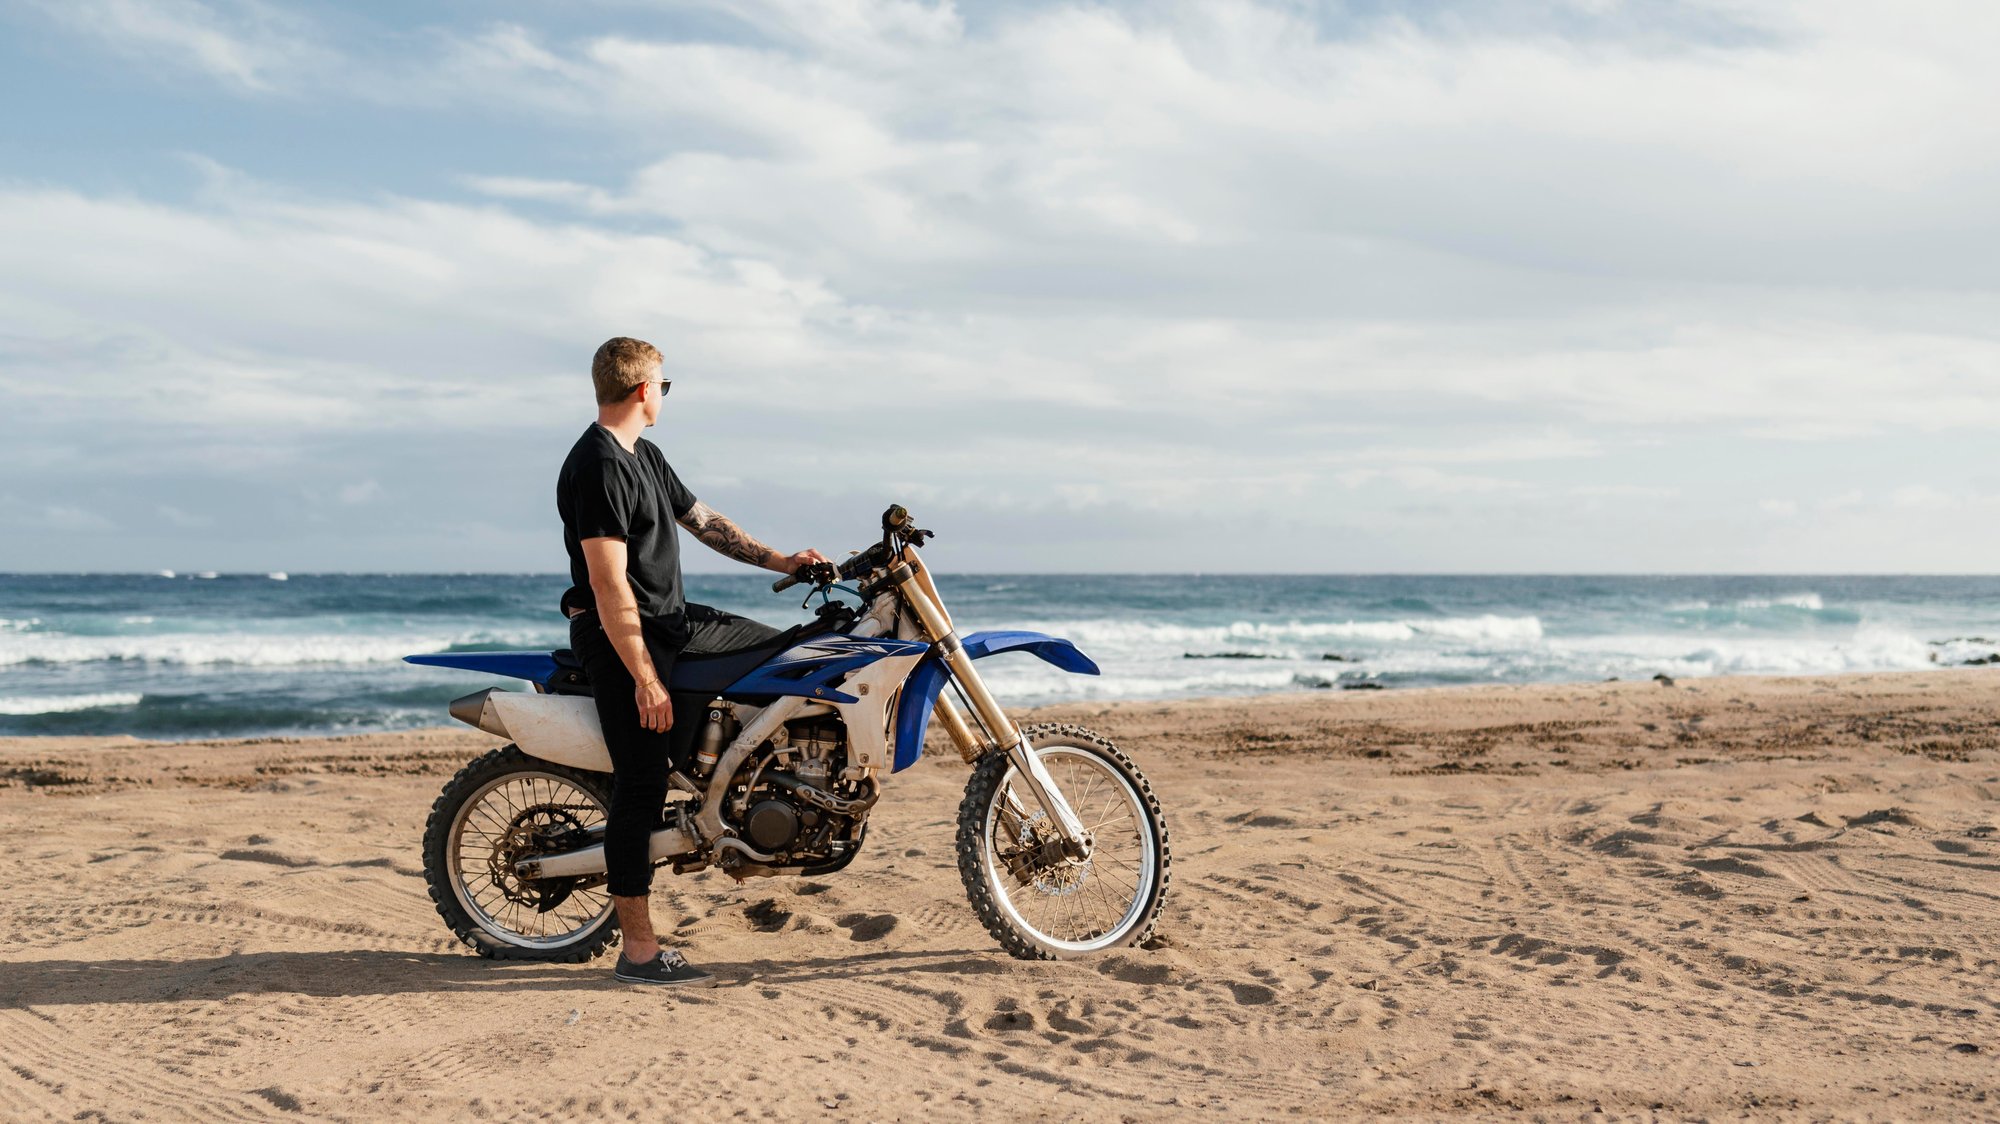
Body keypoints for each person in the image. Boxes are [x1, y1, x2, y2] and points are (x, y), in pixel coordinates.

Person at [557, 336, 829, 986]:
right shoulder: (597, 464)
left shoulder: (644, 454)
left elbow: (705, 522)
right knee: (641, 786)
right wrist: (644, 679)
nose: (665, 396)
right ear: (643, 390)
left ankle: (732, 781)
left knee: (782, 650)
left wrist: (783, 561)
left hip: (672, 622)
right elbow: (608, 584)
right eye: (664, 386)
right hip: (623, 639)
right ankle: (640, 952)